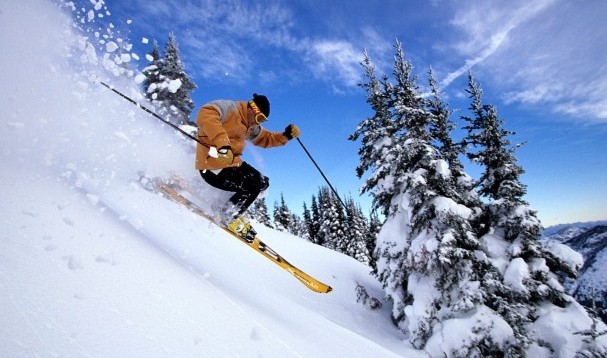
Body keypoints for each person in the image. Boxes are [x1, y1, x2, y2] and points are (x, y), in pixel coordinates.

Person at [195, 93, 300, 241]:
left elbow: (266, 138)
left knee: (263, 182)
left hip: (231, 163)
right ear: (252, 108)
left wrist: (286, 136)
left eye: (262, 120)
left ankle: (228, 206)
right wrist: (222, 144)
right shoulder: (229, 109)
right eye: (259, 118)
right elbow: (205, 113)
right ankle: (227, 214)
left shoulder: (250, 125)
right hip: (212, 163)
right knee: (253, 184)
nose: (259, 123)